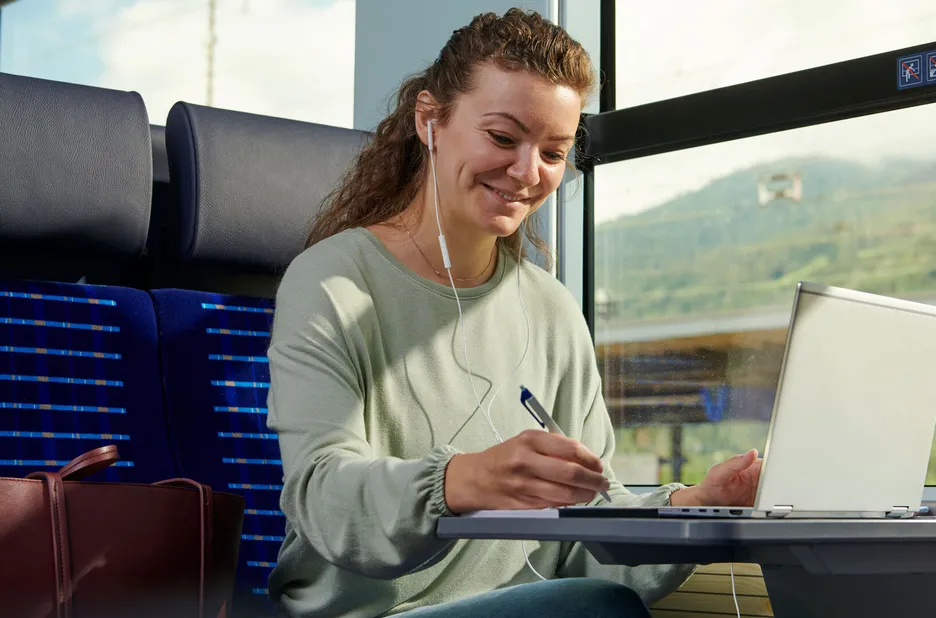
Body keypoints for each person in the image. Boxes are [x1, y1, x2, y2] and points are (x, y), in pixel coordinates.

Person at [265, 9, 762, 618]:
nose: (528, 173)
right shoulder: (333, 282)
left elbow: (586, 540)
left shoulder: (549, 308)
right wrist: (461, 482)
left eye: (552, 152)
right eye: (503, 138)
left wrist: (694, 506)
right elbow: (322, 497)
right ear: (430, 121)